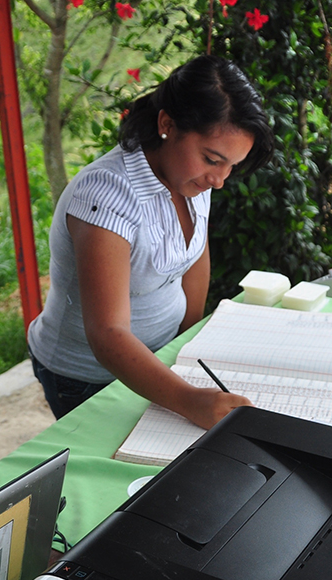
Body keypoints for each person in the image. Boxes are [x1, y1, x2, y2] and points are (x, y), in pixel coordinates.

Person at [26, 55, 274, 428]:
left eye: (232, 166)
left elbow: (193, 258)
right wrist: (188, 400)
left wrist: (183, 346)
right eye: (212, 159)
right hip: (88, 380)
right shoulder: (107, 196)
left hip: (160, 359)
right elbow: (107, 334)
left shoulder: (188, 176)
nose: (220, 180)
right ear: (167, 125)